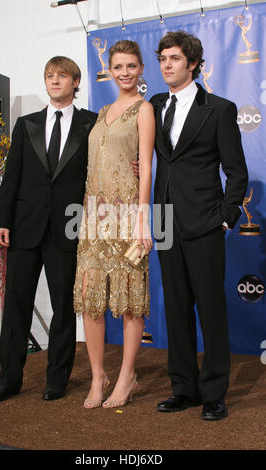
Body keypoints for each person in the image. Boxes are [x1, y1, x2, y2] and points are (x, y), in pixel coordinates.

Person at [0, 56, 97, 402]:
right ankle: (9, 379)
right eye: (50, 76)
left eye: (62, 76)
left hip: (68, 227)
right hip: (24, 227)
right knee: (16, 305)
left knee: (63, 307)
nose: (54, 81)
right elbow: (12, 176)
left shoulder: (91, 125)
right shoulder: (26, 124)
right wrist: (2, 220)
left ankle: (57, 379)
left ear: (75, 82)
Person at [150, 31, 248, 420]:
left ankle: (213, 392)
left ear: (192, 63)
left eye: (174, 59)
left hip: (205, 222)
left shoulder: (219, 109)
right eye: (162, 59)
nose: (166, 65)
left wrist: (226, 217)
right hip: (165, 221)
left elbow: (236, 172)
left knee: (210, 309)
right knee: (174, 309)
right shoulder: (154, 105)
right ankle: (184, 388)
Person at [73, 40, 155, 409]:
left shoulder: (144, 108)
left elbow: (147, 166)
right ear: (109, 68)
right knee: (91, 298)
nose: (124, 73)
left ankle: (126, 377)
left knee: (130, 300)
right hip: (93, 218)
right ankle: (98, 376)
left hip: (126, 216)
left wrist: (143, 217)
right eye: (118, 66)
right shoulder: (102, 110)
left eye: (130, 66)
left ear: (140, 70)